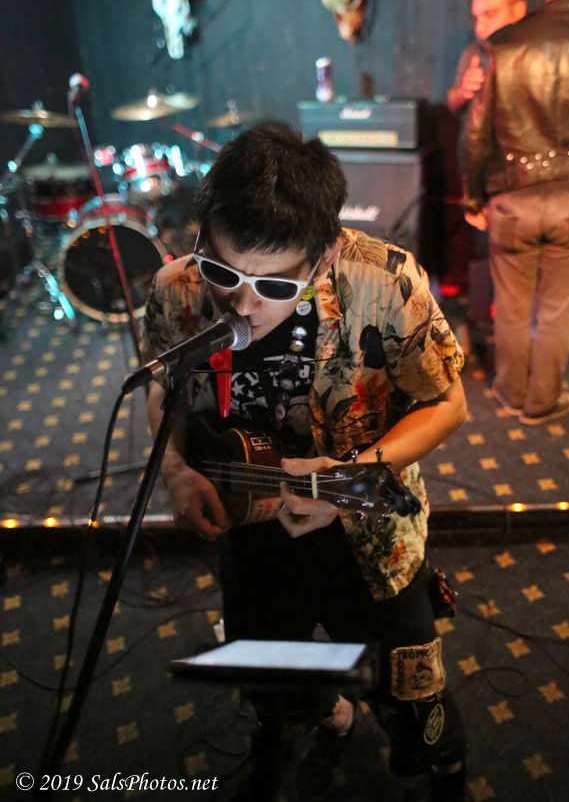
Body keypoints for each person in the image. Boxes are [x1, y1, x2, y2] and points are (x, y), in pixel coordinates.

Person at [142, 121, 468, 800]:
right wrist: (176, 471)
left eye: (273, 285)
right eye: (224, 272)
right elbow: (164, 390)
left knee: (407, 686)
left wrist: (345, 483)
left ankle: (441, 764)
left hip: (368, 525)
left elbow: (448, 404)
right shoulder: (177, 288)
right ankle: (328, 717)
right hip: (250, 525)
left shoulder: (384, 280)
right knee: (272, 672)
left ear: (322, 257)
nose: (242, 303)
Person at [461, 0, 569, 425]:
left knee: (513, 305)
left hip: (512, 199)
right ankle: (541, 403)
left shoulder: (504, 44)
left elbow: (475, 134)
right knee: (557, 309)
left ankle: (509, 391)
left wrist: (473, 198)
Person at [447, 0, 527, 114]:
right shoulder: (475, 52)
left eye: (490, 14)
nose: (479, 28)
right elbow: (452, 101)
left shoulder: (536, 52)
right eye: (475, 19)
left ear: (518, 10)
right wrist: (463, 91)